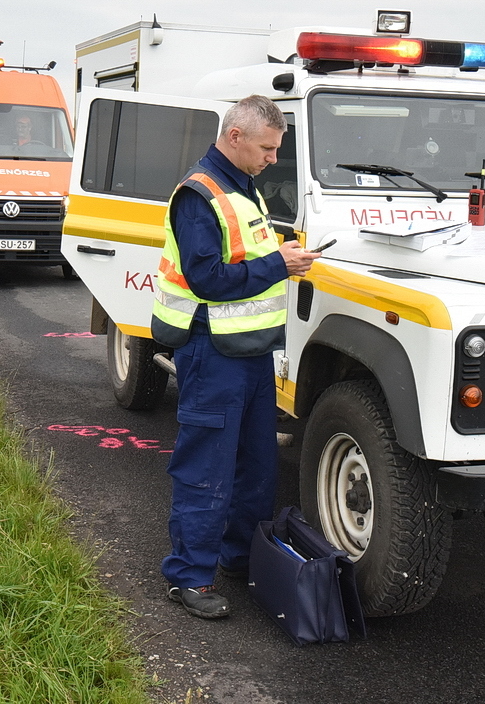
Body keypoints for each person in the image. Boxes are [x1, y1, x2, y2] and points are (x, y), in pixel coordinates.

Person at [151, 94, 321, 620]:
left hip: (249, 353)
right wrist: (279, 264)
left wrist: (282, 255)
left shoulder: (244, 189)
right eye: (268, 149)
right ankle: (190, 578)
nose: (274, 159)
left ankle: (239, 558)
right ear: (235, 137)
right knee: (207, 467)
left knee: (257, 467)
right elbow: (207, 278)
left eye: (277, 150)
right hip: (211, 352)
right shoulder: (199, 195)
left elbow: (240, 257)